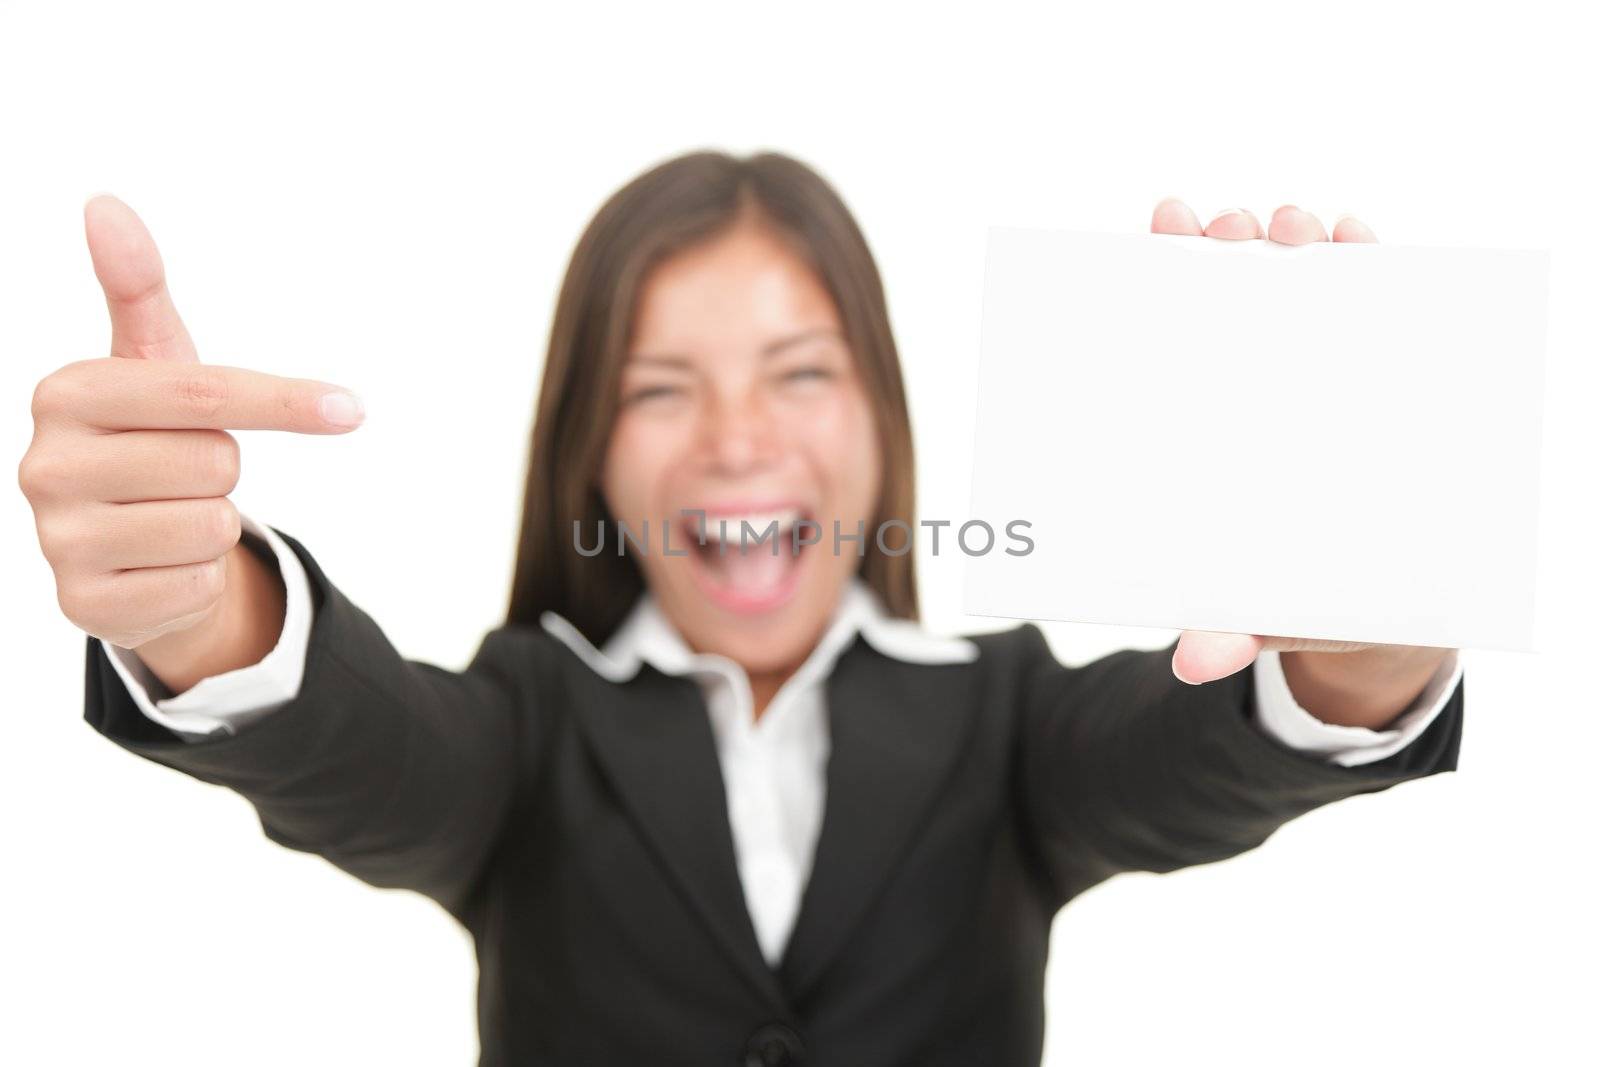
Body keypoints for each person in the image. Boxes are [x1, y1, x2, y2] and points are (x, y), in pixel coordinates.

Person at [18, 151, 1463, 1067]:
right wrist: (206, 604)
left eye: (800, 371)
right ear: (591, 448)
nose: (736, 439)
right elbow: (364, 746)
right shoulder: (526, 728)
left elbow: (1192, 760)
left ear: (883, 424)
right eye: (660, 387)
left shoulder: (1009, 721)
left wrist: (1366, 637)